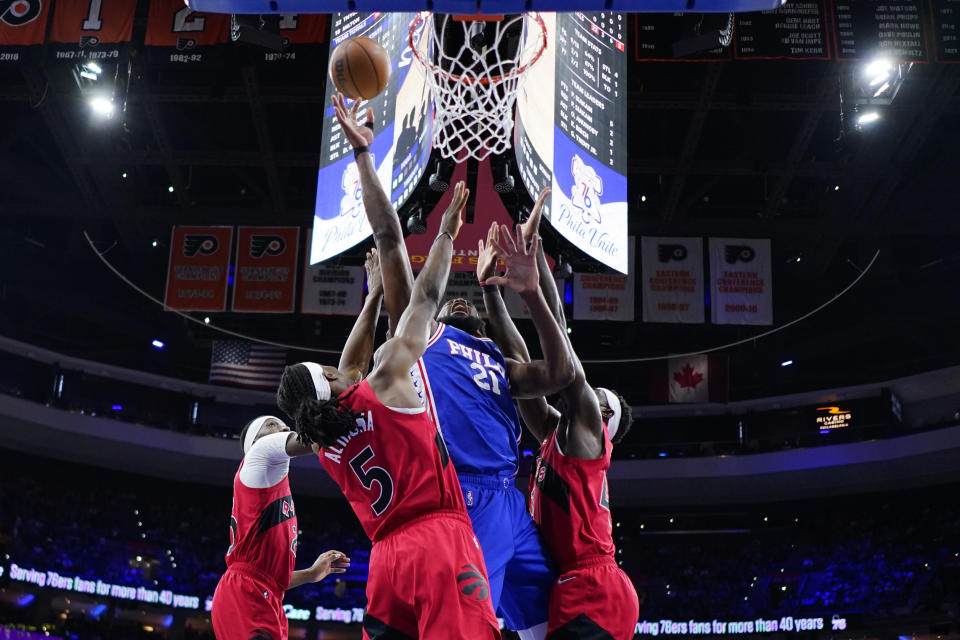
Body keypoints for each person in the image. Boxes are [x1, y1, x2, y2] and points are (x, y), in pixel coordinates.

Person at [333, 93, 572, 640]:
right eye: (451, 298)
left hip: (511, 499)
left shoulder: (499, 359)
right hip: (460, 496)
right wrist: (364, 158)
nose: (456, 299)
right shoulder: (421, 338)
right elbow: (392, 241)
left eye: (470, 302)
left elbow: (560, 375)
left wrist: (520, 289)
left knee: (547, 621)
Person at [277, 182, 513, 638]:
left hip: (385, 559)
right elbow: (424, 300)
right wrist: (445, 233)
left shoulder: (323, 441)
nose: (339, 367)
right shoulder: (381, 382)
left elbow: (349, 366)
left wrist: (373, 296)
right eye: (329, 368)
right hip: (438, 540)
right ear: (329, 381)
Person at [478, 189, 639, 639]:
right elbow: (526, 363)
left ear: (605, 424)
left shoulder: (588, 436)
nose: (592, 398)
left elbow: (569, 368)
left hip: (595, 587)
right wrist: (495, 291)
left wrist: (534, 290)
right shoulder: (555, 435)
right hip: (567, 581)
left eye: (600, 401)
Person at [211, 251, 383, 640]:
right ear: (255, 443)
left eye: (279, 423)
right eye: (271, 425)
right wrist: (348, 391)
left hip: (265, 592)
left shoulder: (274, 482)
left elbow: (270, 574)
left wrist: (312, 574)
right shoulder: (258, 457)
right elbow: (320, 430)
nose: (279, 427)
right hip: (244, 593)